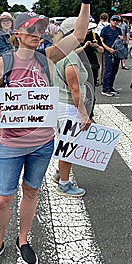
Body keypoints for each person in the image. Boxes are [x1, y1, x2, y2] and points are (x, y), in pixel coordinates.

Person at [0, 0, 99, 264]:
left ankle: (23, 240)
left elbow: (80, 35)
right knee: (3, 198)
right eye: (31, 29)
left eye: (41, 29)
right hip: (11, 141)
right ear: (17, 33)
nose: (37, 33)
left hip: (42, 142)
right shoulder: (3, 62)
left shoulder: (48, 57)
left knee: (31, 192)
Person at [51, 17, 92, 197]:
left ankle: (61, 173)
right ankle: (64, 184)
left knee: (65, 141)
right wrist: (84, 114)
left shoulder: (57, 52)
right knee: (68, 146)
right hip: (68, 106)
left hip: (59, 104)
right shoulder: (71, 56)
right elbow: (74, 89)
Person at [100, 15, 123, 97]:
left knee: (114, 71)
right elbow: (101, 41)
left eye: (117, 21)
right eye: (114, 20)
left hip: (116, 53)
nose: (115, 22)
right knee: (108, 70)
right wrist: (108, 49)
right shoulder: (105, 29)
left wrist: (121, 38)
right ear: (110, 20)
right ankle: (105, 89)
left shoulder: (118, 30)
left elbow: (121, 39)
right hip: (108, 53)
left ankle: (110, 87)